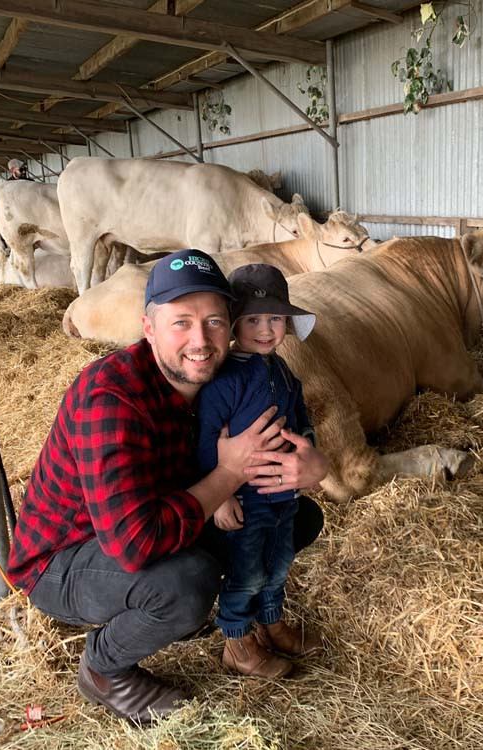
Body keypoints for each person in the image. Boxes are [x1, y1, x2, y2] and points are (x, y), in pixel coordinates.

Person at [6, 249, 330, 726]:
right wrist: (228, 476)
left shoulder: (222, 378)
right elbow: (133, 545)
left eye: (215, 322)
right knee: (186, 583)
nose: (200, 340)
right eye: (181, 322)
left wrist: (313, 464)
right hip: (66, 558)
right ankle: (103, 668)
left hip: (154, 518)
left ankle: (232, 619)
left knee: (294, 517)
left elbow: (284, 435)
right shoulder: (110, 398)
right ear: (148, 327)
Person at [195, 264, 322, 679]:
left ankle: (272, 624)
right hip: (246, 496)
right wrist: (221, 496)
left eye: (274, 318)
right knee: (246, 571)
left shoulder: (283, 372)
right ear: (233, 325)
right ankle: (238, 641)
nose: (265, 329)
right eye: (252, 319)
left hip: (283, 495)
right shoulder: (224, 380)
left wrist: (309, 453)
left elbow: (302, 418)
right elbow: (206, 439)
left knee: (278, 563)